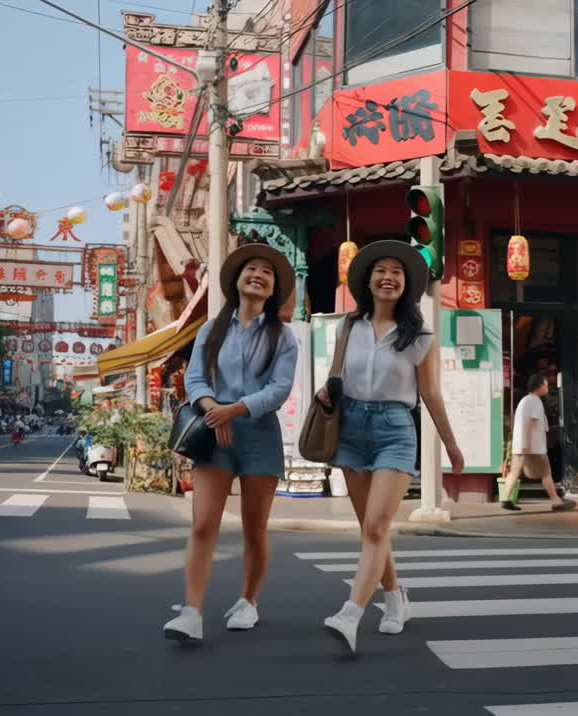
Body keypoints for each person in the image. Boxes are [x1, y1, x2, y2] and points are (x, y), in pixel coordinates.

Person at [317, 240, 464, 654]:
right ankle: (396, 597)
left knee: (377, 527)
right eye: (381, 270)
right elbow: (337, 376)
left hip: (395, 429)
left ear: (406, 284)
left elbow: (430, 393)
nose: (388, 277)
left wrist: (451, 444)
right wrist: (326, 392)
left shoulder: (420, 336)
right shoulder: (348, 326)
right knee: (371, 529)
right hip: (350, 427)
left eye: (396, 272)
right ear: (368, 281)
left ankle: (350, 614)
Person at [162, 243, 299, 646]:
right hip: (213, 432)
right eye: (251, 268)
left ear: (273, 288)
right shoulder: (211, 329)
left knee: (255, 529)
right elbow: (195, 379)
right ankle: (191, 612)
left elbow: (279, 390)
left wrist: (234, 410)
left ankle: (248, 601)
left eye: (267, 272)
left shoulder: (283, 336)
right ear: (237, 280)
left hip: (259, 435)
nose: (258, 275)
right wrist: (212, 409)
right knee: (204, 524)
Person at [500, 374, 568, 512]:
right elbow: (528, 423)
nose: (547, 388)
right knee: (546, 473)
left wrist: (522, 444)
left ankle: (505, 498)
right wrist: (526, 443)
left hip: (522, 446)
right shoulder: (534, 401)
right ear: (540, 386)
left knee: (514, 472)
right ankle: (555, 500)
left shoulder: (525, 400)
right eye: (545, 385)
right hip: (533, 448)